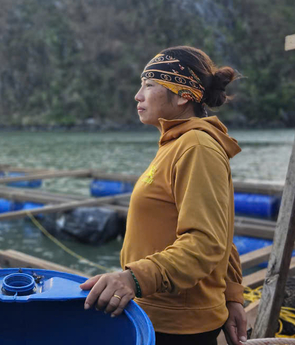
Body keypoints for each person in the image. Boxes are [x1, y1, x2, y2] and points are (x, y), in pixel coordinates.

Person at [80, 46, 247, 345]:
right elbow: (222, 231)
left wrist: (131, 279)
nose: (138, 95)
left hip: (177, 326)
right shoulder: (175, 143)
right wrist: (234, 295)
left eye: (149, 85)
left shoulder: (196, 147)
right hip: (157, 314)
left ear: (183, 95)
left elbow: (207, 241)